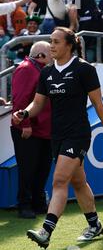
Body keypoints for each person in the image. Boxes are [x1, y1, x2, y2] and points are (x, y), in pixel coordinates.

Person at [13, 27, 103, 249]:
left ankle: (46, 231)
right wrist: (24, 112)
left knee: (59, 181)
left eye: (56, 42)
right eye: (50, 42)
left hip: (78, 134)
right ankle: (94, 224)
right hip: (57, 135)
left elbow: (99, 104)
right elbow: (38, 103)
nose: (51, 46)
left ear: (69, 45)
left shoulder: (84, 69)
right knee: (79, 182)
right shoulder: (47, 73)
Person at [10, 41, 52, 219]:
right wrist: (24, 124)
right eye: (51, 53)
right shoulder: (27, 68)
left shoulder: (40, 70)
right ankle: (25, 205)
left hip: (44, 129)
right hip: (30, 129)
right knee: (28, 169)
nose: (54, 55)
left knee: (42, 168)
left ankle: (37, 202)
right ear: (41, 55)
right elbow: (20, 99)